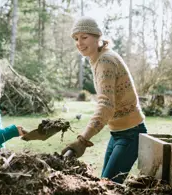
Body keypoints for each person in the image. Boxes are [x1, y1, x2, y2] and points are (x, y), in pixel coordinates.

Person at [61, 16, 148, 184]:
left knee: (108, 187)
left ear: (97, 37)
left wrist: (82, 140)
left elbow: (106, 105)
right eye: (76, 38)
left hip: (130, 133)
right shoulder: (98, 59)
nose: (79, 43)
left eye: (84, 37)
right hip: (117, 133)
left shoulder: (105, 61)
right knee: (105, 184)